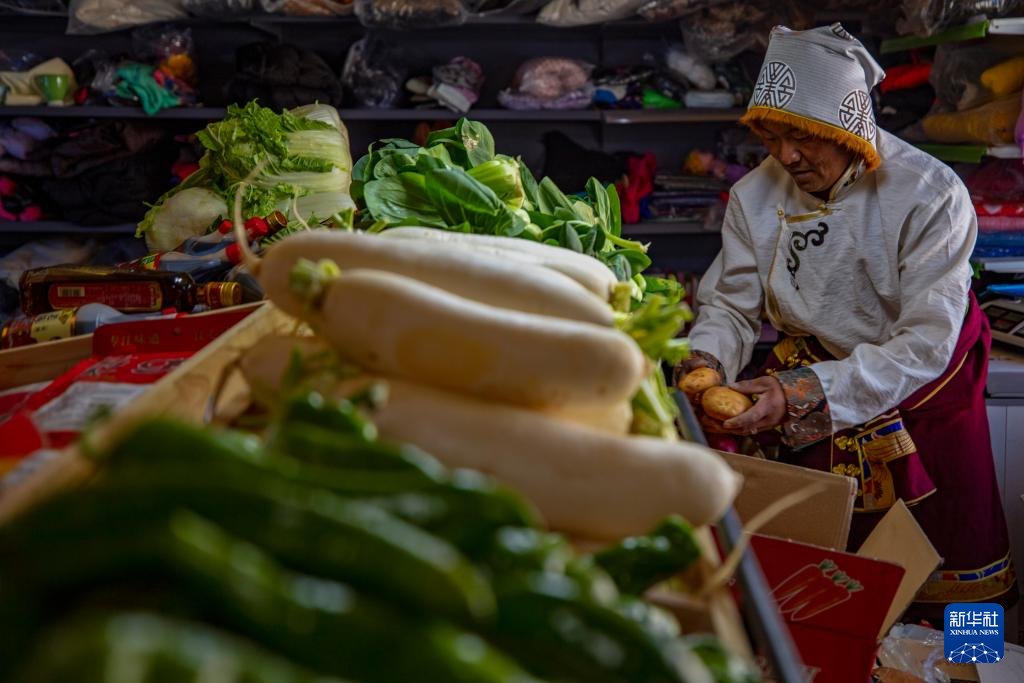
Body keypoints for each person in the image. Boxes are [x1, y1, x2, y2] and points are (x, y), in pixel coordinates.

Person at [678, 23, 1017, 612]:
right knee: (833, 570)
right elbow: (730, 304)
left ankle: (969, 658)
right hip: (812, 387)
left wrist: (806, 391)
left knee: (958, 554)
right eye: (772, 137)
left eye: (803, 137)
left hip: (923, 392)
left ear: (850, 127)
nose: (786, 156)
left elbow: (927, 339)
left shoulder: (930, 193)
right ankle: (853, 652)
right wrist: (707, 358)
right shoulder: (755, 196)